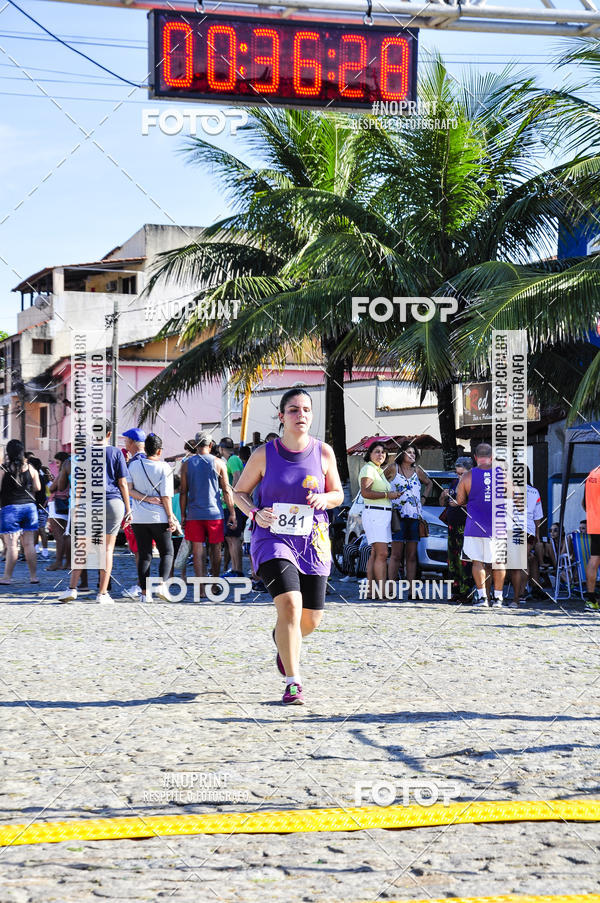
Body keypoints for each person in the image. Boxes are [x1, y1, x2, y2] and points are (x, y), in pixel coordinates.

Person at [233, 389, 343, 705]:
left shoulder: (323, 452)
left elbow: (338, 494)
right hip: (273, 540)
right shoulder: (264, 454)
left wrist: (324, 499)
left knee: (311, 620)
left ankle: (282, 640)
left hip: (313, 542)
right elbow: (239, 493)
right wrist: (255, 513)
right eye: (293, 410)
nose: (301, 415)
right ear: (282, 417)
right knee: (291, 605)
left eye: (306, 409)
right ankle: (293, 683)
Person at [59, 420, 132, 604]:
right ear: (109, 434)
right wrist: (128, 508)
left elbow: (80, 484)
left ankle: (72, 588)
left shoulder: (84, 453)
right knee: (107, 549)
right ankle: (102, 593)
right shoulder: (116, 452)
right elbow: (123, 483)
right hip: (113, 502)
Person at [179, 431, 235, 595]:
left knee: (197, 550)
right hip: (214, 513)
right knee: (216, 548)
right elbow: (226, 490)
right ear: (210, 445)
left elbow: (183, 492)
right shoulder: (219, 463)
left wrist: (183, 514)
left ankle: (201, 588)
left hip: (194, 513)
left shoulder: (187, 464)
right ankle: (214, 584)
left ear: (196, 445)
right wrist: (232, 512)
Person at [455, 443, 507, 608]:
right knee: (498, 561)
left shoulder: (467, 476)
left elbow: (460, 501)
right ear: (492, 457)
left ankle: (482, 597)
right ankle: (498, 598)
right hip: (497, 526)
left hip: (474, 525)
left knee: (477, 562)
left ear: (475, 457)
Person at [127, 433, 177, 602]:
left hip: (139, 517)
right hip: (159, 517)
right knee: (167, 552)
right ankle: (162, 584)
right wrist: (171, 517)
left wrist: (146, 498)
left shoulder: (133, 465)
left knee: (144, 555)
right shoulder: (164, 467)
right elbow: (166, 496)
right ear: (159, 451)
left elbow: (129, 490)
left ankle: (144, 594)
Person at [386, 441, 432, 590]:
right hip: (397, 516)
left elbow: (429, 483)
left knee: (411, 556)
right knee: (396, 554)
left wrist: (423, 498)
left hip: (414, 517)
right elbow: (379, 482)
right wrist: (386, 496)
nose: (412, 455)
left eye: (414, 453)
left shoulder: (417, 470)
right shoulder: (393, 468)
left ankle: (412, 589)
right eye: (409, 452)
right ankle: (391, 588)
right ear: (402, 454)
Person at [358, 442, 399, 598]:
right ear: (369, 454)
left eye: (383, 452)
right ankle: (381, 591)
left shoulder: (379, 470)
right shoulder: (368, 469)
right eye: (377, 451)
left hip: (382, 514)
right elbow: (365, 492)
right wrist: (388, 495)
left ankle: (371, 590)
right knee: (382, 553)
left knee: (376, 553)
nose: (381, 455)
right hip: (375, 514)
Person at [0, 439, 41, 584]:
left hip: (10, 508)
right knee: (29, 544)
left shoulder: (4, 469)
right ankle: (33, 576)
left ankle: (7, 577)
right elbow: (38, 487)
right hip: (29, 508)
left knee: (12, 545)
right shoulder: (31, 468)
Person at [507, 468, 544, 607]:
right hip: (529, 530)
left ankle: (516, 596)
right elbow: (537, 516)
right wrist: (537, 534)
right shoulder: (535, 492)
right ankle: (521, 594)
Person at [440, 456, 473, 603]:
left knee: (465, 560)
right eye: (457, 473)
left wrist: (459, 503)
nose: (459, 476)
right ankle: (455, 590)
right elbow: (443, 503)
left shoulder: (473, 484)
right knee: (452, 560)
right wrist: (443, 496)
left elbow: (477, 504)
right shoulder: (454, 483)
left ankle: (467, 592)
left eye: (462, 473)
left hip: (466, 526)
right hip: (452, 526)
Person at [120, 427, 147, 600]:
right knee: (145, 550)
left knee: (139, 551)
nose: (124, 443)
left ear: (131, 442)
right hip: (150, 511)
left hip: (135, 511)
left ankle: (140, 585)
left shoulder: (133, 464)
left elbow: (129, 488)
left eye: (125, 440)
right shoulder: (151, 460)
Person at [219, 437, 246, 577]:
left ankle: (237, 570)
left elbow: (237, 476)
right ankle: (234, 568)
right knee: (230, 538)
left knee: (234, 538)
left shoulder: (232, 460)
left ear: (221, 448)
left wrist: (231, 495)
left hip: (233, 505)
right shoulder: (232, 459)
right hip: (230, 504)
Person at [47, 452, 70, 570]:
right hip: (67, 504)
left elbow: (52, 488)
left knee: (58, 536)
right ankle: (68, 562)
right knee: (67, 535)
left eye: (57, 462)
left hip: (57, 505)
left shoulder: (62, 472)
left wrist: (51, 483)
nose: (56, 465)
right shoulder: (72, 472)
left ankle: (58, 562)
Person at [582, 465, 600, 611]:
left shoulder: (592, 473)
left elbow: (584, 503)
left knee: (594, 559)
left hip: (594, 523)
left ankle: (591, 599)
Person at [29, 456, 50, 559]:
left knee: (41, 529)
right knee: (37, 530)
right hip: (40, 506)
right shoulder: (40, 476)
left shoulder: (37, 477)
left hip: (39, 506)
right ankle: (37, 549)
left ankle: (45, 552)